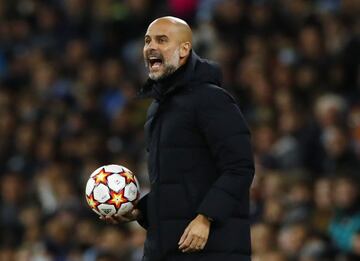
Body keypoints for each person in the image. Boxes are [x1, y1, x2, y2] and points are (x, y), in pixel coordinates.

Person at [103, 16, 254, 261]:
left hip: (211, 249)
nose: (151, 47)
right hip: (164, 249)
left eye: (162, 40)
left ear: (184, 49)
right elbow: (177, 184)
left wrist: (206, 217)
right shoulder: (157, 109)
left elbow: (239, 167)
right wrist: (140, 210)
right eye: (147, 41)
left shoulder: (212, 100)